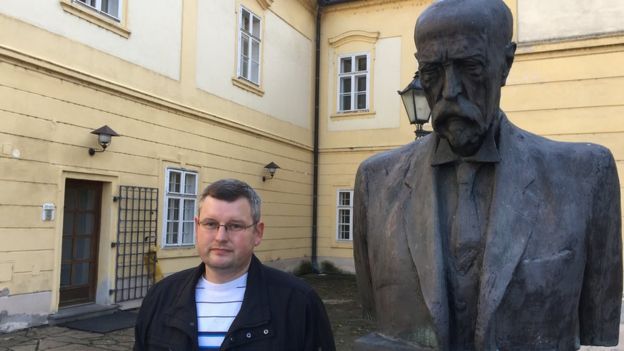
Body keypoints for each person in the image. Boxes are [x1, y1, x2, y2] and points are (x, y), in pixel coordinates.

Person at [353, 0, 622, 350]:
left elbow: (597, 322)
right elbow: (378, 314)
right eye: (432, 71)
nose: (449, 91)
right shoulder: (375, 183)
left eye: (470, 67)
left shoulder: (586, 176)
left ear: (505, 64)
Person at [135, 178, 335, 350]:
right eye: (211, 224)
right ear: (197, 227)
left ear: (258, 233)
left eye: (235, 226)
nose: (221, 237)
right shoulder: (161, 297)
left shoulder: (298, 302)